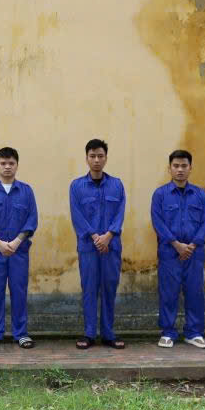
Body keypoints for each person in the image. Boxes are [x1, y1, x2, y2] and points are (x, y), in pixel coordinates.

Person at [0, 147, 38, 349]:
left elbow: (32, 219)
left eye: (11, 163)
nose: (7, 167)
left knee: (19, 290)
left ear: (17, 165)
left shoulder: (26, 191)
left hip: (19, 251)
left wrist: (16, 242)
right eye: (3, 163)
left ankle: (21, 333)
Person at [150, 150, 205, 349]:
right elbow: (158, 222)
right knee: (169, 292)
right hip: (169, 252)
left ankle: (194, 332)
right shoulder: (160, 195)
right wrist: (176, 244)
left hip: (194, 253)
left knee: (194, 292)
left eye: (184, 166)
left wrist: (192, 245)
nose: (180, 170)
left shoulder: (200, 195)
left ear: (190, 168)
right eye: (176, 166)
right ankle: (168, 332)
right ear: (169, 168)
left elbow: (204, 222)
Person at [69, 139, 126, 350]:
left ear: (106, 158)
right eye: (92, 156)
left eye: (100, 156)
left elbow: (120, 212)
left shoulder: (117, 184)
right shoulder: (76, 186)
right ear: (86, 158)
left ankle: (109, 334)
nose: (96, 160)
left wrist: (108, 236)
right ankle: (89, 333)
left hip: (111, 247)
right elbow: (77, 215)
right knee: (90, 289)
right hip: (88, 247)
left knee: (109, 289)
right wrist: (95, 237)